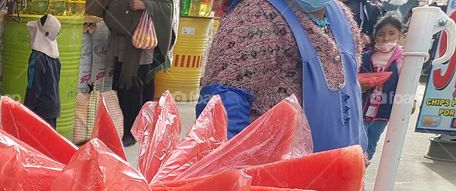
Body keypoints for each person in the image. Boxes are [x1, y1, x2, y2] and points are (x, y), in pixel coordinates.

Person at [199, 0, 365, 151]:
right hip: (275, 172)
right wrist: (236, 170)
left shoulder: (342, 16)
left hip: (339, 167)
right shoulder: (255, 16)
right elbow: (221, 106)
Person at [99, 0, 176, 146]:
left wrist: (146, 4)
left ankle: (132, 131)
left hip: (143, 41)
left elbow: (167, 6)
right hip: (123, 37)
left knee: (136, 85)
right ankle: (126, 128)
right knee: (122, 84)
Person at [361, 13, 404, 160]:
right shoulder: (366, 57)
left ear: (400, 35)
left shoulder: (403, 59)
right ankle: (353, 171)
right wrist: (360, 86)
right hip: (362, 109)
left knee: (372, 142)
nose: (386, 38)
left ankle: (363, 170)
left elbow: (407, 82)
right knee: (359, 141)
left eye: (392, 33)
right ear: (375, 36)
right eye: (381, 34)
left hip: (383, 111)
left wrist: (411, 101)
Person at [25, 14, 63, 128]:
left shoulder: (36, 58)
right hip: (53, 107)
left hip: (41, 110)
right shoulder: (56, 59)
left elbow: (34, 87)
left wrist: (26, 110)